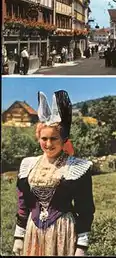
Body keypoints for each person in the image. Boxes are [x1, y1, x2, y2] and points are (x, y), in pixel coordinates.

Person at [12, 90, 94, 256]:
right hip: (33, 231)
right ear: (38, 138)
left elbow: (85, 208)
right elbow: (23, 204)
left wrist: (81, 246)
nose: (48, 144)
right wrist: (19, 236)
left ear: (63, 139)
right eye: (44, 139)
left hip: (63, 232)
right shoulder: (28, 165)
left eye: (54, 139)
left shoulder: (77, 167)